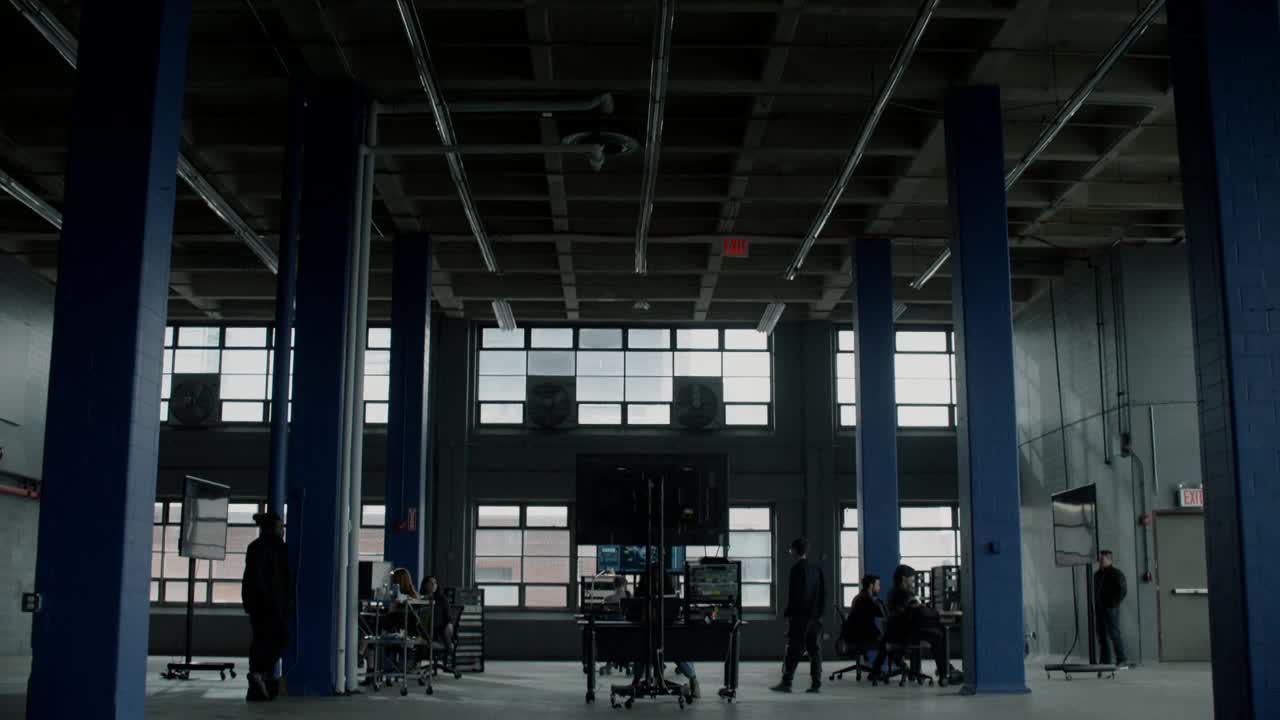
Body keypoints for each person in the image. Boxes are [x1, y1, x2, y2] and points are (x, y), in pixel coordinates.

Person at [872, 564, 954, 685]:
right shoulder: (904, 593)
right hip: (905, 633)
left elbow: (914, 610)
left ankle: (940, 669)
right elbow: (920, 611)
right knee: (939, 634)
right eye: (911, 578)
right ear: (904, 578)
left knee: (936, 630)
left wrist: (926, 609)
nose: (912, 580)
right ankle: (944, 673)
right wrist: (937, 612)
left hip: (895, 632)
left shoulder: (893, 591)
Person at [241, 510, 289, 702]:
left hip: (259, 604)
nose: (283, 530)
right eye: (281, 527)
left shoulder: (255, 546)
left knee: (261, 641)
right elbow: (272, 579)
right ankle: (259, 676)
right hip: (271, 604)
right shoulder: (278, 548)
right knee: (277, 640)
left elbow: (251, 578)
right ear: (273, 528)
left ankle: (259, 678)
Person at [634, 561, 699, 698]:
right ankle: (636, 682)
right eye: (653, 580)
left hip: (665, 635)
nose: (656, 583)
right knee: (643, 650)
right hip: (647, 635)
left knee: (678, 650)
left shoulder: (669, 596)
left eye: (658, 580)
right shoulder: (641, 595)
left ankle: (693, 680)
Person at [772, 537, 826, 693]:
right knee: (814, 650)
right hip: (815, 617)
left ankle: (786, 683)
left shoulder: (796, 569)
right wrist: (819, 613)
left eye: (791, 549)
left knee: (793, 649)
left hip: (800, 617)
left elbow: (795, 595)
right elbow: (823, 592)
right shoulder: (816, 568)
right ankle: (816, 684)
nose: (790, 552)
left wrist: (789, 615)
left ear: (795, 551)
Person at [1095, 550, 1130, 667]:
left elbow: (1123, 590)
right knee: (1101, 635)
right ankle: (1105, 661)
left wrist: (1113, 604)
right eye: (1100, 559)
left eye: (1102, 559)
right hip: (1100, 609)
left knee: (1114, 634)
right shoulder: (1097, 575)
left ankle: (1122, 660)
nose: (1100, 561)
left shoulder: (1116, 573)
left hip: (1111, 609)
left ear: (1109, 559)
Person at [843, 574, 885, 652]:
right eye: (878, 585)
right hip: (860, 637)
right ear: (871, 585)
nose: (879, 588)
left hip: (853, 636)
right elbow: (880, 614)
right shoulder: (866, 600)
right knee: (888, 644)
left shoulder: (859, 597)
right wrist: (879, 635)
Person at [419, 575, 456, 655]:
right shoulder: (421, 599)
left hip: (438, 631)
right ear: (425, 585)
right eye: (431, 583)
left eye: (435, 583)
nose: (433, 585)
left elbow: (448, 617)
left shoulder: (442, 599)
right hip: (423, 630)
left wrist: (449, 625)